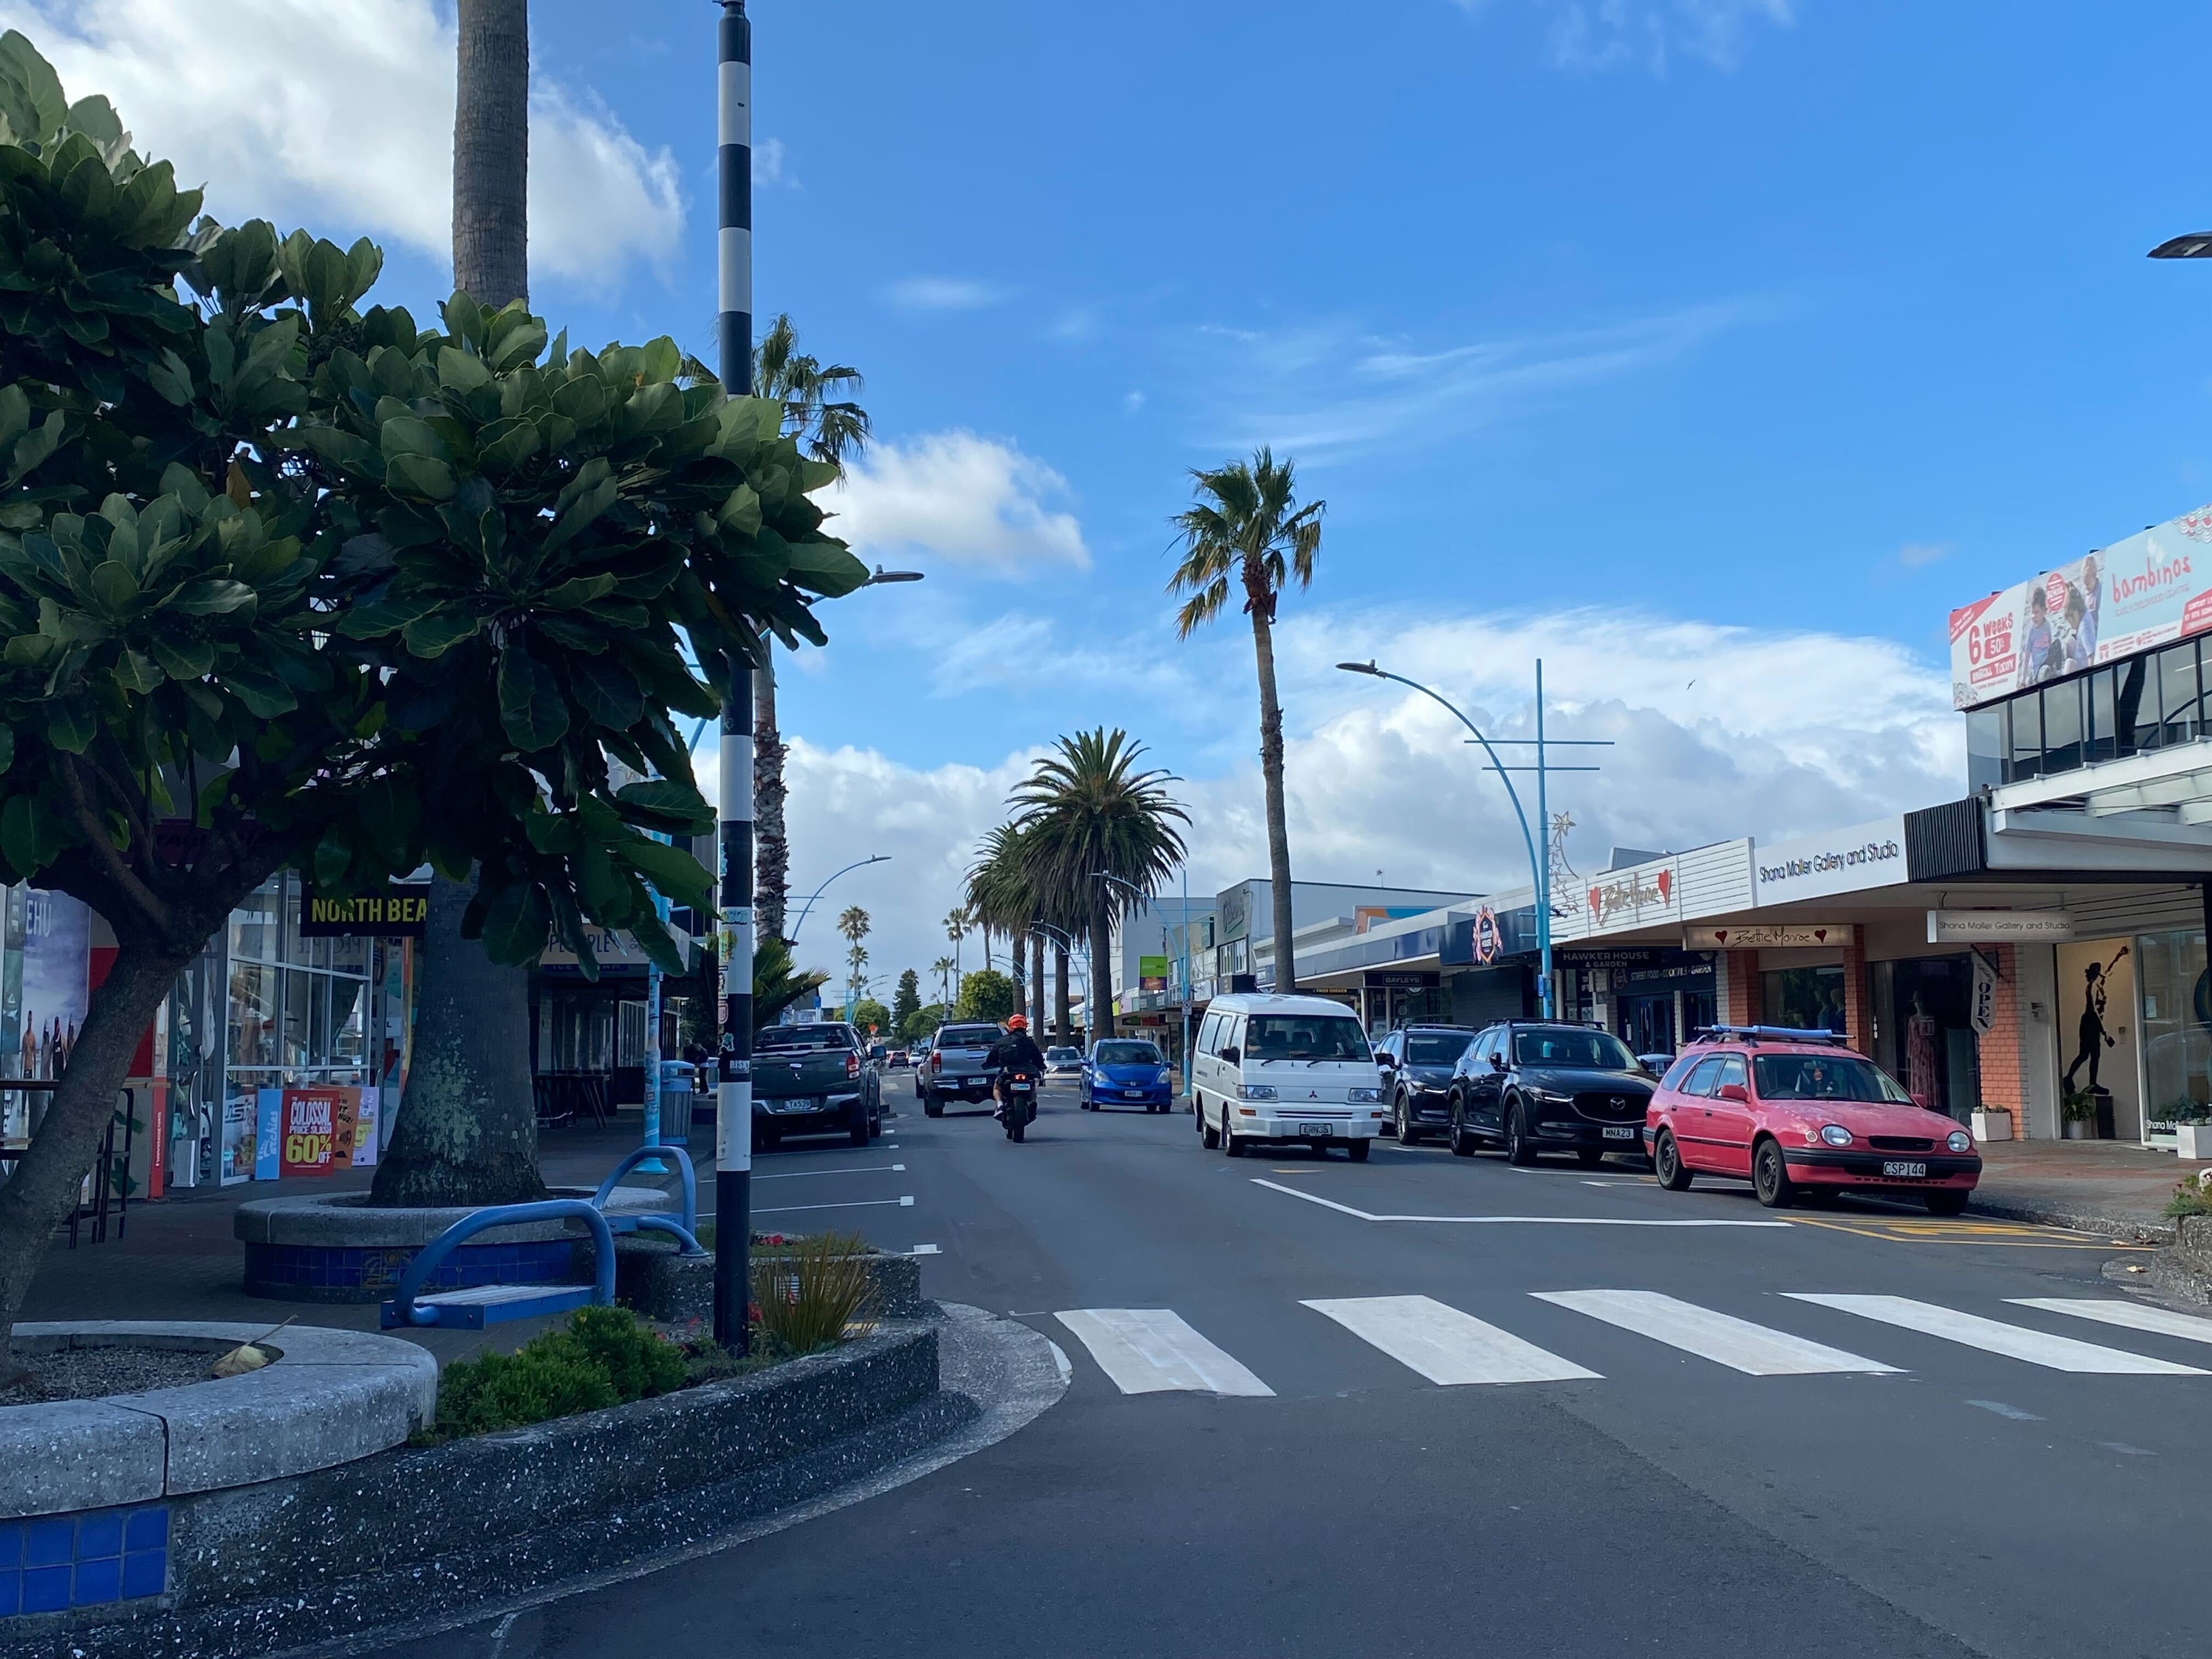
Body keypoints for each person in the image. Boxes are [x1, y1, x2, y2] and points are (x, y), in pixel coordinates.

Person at [988, 1014, 1046, 1117]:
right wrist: (1041, 1067)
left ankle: (1000, 1105)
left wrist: (989, 1064)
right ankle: (1032, 1102)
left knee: (997, 1088)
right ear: (1025, 1026)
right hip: (1027, 1072)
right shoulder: (1029, 1042)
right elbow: (1038, 1058)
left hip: (1008, 1072)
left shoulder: (1002, 1041)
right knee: (1032, 1086)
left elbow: (992, 1056)